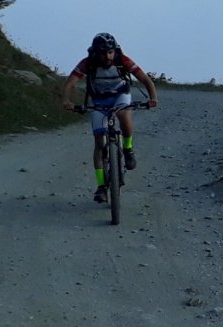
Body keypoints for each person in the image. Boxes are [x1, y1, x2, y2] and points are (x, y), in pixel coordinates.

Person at [62, 32, 159, 203]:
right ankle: (101, 187)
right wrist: (66, 100)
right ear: (95, 53)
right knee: (99, 143)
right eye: (103, 53)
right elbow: (71, 81)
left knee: (124, 115)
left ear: (115, 50)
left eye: (110, 52)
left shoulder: (123, 60)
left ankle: (128, 149)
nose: (107, 56)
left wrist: (153, 98)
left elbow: (145, 79)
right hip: (99, 100)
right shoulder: (87, 63)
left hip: (120, 95)